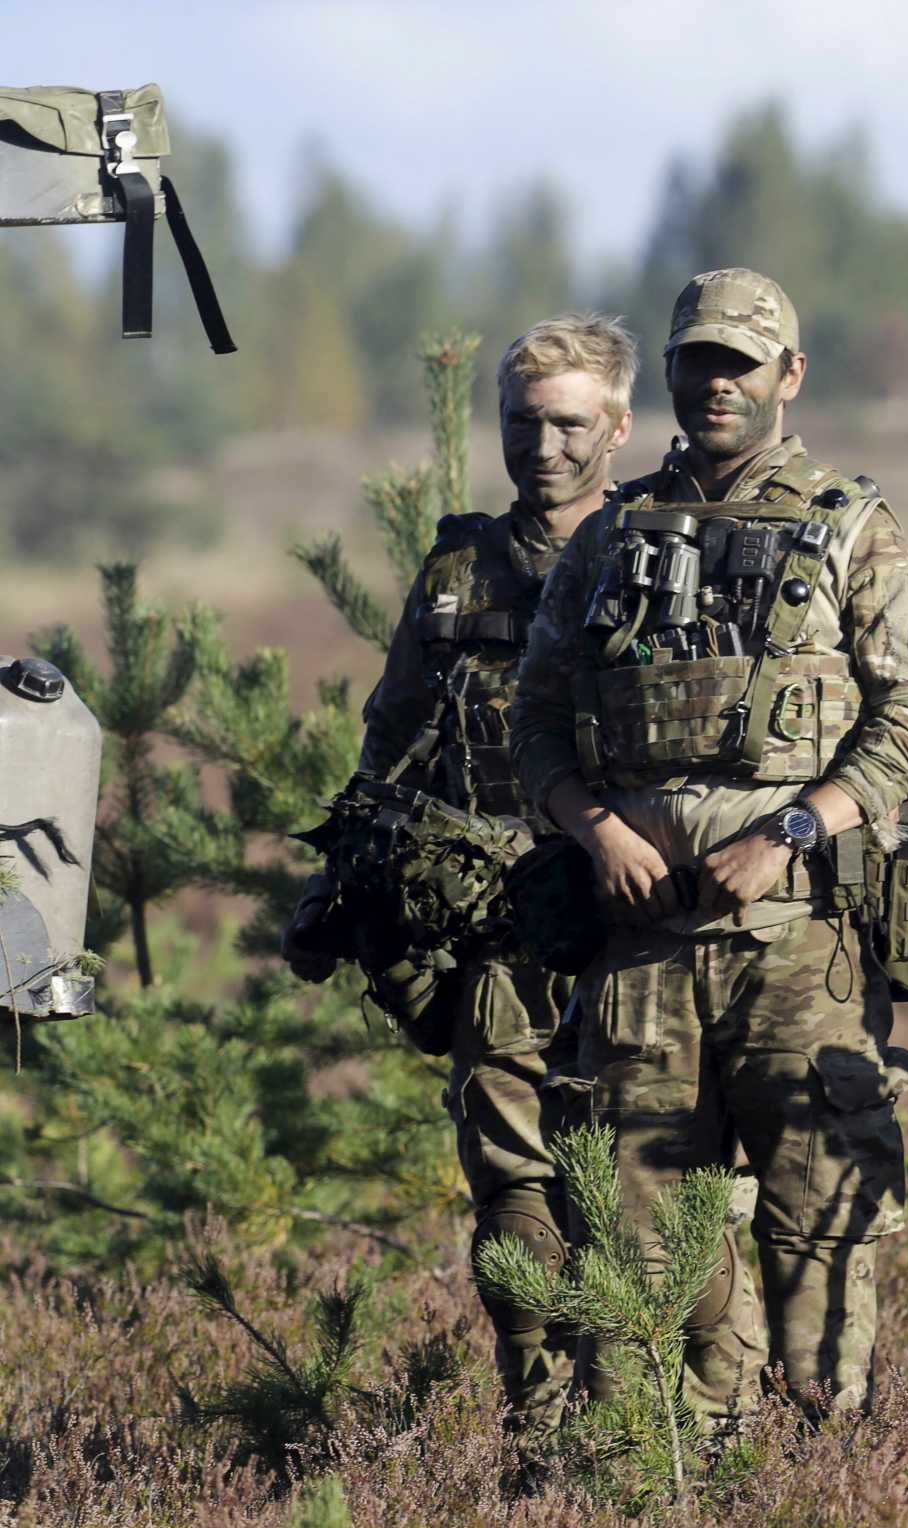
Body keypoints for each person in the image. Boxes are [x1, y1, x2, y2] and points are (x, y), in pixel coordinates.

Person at [279, 313, 758, 1431]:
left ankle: (692, 1428)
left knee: (655, 1193)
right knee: (513, 1194)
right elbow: (391, 736)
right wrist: (330, 892)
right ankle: (546, 1425)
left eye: (568, 425)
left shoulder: (669, 551)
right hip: (493, 934)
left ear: (621, 426)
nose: (542, 448)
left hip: (636, 933)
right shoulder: (457, 568)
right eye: (521, 423)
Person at [511, 268, 908, 1424]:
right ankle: (673, 1502)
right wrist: (593, 824)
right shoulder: (612, 535)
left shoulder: (852, 528)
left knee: (819, 1231)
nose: (717, 384)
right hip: (640, 960)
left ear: (788, 376)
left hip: (795, 950)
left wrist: (796, 828)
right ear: (667, 375)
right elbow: (530, 722)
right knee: (640, 1255)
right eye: (697, 362)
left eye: (740, 364)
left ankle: (823, 1489)